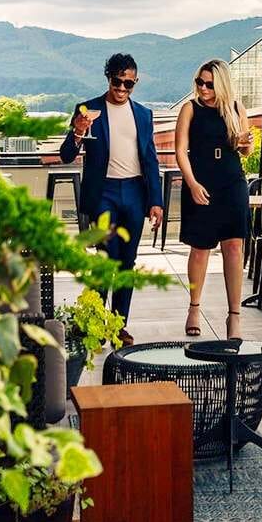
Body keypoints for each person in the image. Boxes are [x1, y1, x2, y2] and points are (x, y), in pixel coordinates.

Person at [60, 53, 163, 344]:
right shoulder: (88, 110)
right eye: (117, 81)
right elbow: (66, 155)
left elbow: (151, 160)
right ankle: (94, 323)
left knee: (127, 262)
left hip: (134, 192)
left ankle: (118, 326)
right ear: (108, 78)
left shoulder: (143, 114)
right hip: (103, 192)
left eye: (128, 83)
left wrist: (156, 201)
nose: (121, 88)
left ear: (135, 82)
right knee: (107, 258)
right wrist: (78, 132)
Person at [175, 59, 252, 340]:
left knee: (234, 248)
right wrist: (192, 183)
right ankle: (194, 309)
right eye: (200, 82)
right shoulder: (190, 109)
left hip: (232, 183)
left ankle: (235, 317)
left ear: (221, 85)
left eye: (209, 84)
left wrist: (246, 142)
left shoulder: (236, 108)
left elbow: (245, 152)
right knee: (200, 249)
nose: (203, 88)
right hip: (201, 183)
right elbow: (180, 151)